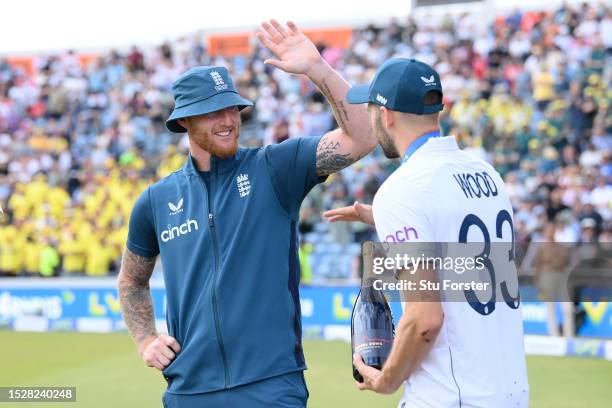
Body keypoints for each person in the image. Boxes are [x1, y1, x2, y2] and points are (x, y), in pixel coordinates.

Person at [117, 20, 376, 408]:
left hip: (272, 385)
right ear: (184, 121)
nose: (227, 120)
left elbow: (363, 137)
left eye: (232, 108)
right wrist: (146, 339)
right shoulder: (156, 200)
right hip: (189, 390)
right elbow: (131, 282)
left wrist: (318, 70)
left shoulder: (275, 168)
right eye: (211, 112)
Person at [324, 58, 529, 407]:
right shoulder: (485, 173)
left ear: (385, 115)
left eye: (372, 109)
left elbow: (424, 319)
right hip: (509, 391)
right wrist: (382, 217)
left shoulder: (404, 188)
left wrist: (388, 379)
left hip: (451, 396)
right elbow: (460, 238)